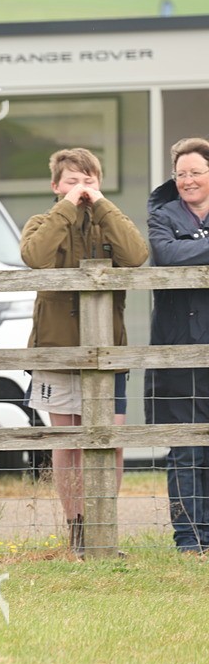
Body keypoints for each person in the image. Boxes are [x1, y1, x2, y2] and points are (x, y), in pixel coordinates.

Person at [20, 147, 149, 557]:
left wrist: (102, 206)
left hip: (109, 352)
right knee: (69, 443)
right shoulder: (42, 222)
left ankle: (103, 528)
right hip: (56, 350)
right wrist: (67, 208)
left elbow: (136, 255)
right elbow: (35, 257)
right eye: (72, 181)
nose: (81, 188)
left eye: (89, 180)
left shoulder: (112, 223)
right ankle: (77, 529)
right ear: (55, 186)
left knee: (111, 440)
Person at [145, 137, 209, 554]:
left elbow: (184, 252)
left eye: (196, 172)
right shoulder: (161, 216)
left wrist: (194, 249)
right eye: (181, 173)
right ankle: (190, 540)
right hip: (178, 350)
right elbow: (167, 255)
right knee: (186, 448)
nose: (187, 180)